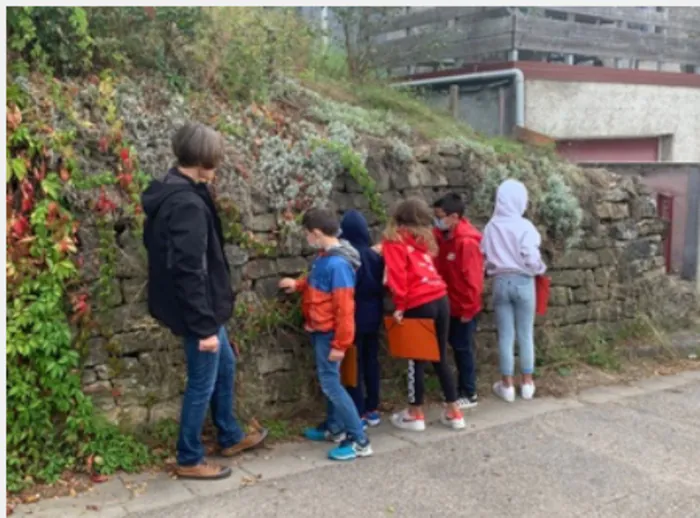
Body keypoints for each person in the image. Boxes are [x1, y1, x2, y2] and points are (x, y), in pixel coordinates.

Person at [142, 122, 266, 481]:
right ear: (205, 160)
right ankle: (189, 457)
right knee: (202, 382)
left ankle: (229, 435)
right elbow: (188, 270)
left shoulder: (173, 187)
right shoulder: (186, 204)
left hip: (203, 307)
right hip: (198, 312)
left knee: (225, 366)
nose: (220, 164)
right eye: (217, 157)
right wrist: (203, 326)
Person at [278, 208, 373, 461]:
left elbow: (345, 308)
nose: (307, 239)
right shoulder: (326, 257)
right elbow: (317, 283)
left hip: (329, 333)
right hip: (322, 331)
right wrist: (298, 285)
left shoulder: (338, 264)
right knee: (332, 382)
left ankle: (359, 440)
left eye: (307, 234)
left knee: (331, 385)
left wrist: (341, 343)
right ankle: (336, 427)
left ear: (317, 233)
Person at [382, 198, 465, 432]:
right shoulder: (425, 240)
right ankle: (454, 411)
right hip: (440, 297)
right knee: (440, 356)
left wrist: (400, 305)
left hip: (417, 302)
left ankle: (415, 413)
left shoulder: (394, 240)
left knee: (414, 359)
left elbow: (398, 275)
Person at [481, 179, 547, 403]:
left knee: (506, 336)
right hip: (524, 281)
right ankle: (527, 383)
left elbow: (485, 255)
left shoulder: (491, 226)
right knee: (525, 333)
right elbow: (530, 254)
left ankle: (507, 385)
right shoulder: (525, 226)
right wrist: (539, 269)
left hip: (500, 281)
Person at [433, 193, 484, 410]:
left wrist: (468, 309)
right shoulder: (445, 237)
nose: (437, 220)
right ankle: (461, 390)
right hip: (450, 304)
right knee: (455, 347)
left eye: (440, 216)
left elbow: (473, 280)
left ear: (454, 217)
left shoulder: (466, 243)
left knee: (463, 349)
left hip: (463, 307)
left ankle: (469, 392)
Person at [339, 210, 385, 428]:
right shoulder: (375, 256)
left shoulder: (347, 257)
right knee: (371, 361)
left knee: (352, 364)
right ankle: (372, 408)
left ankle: (356, 409)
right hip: (374, 315)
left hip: (354, 316)